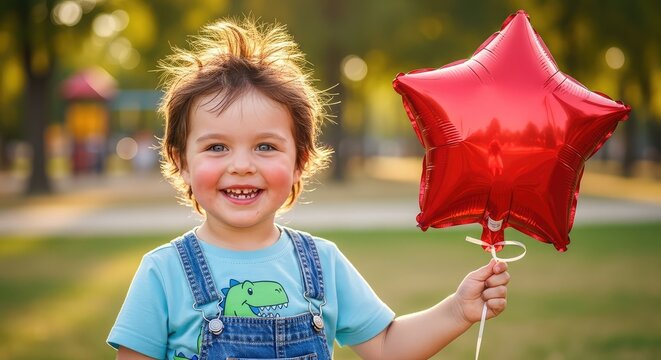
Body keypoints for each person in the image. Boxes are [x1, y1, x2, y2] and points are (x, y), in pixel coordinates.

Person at [107, 17, 510, 360]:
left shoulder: (322, 263)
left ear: (300, 161)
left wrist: (458, 310)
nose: (242, 166)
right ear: (181, 161)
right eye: (217, 147)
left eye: (266, 146)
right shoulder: (163, 272)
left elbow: (386, 346)